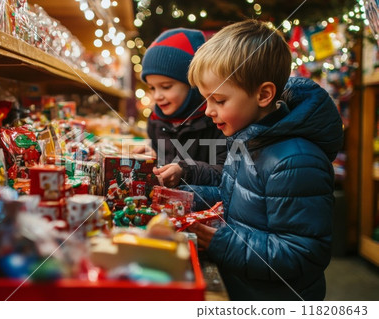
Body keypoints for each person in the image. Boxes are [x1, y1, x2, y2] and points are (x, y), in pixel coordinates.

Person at [185, 19, 344, 300]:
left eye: (219, 100)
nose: (208, 111)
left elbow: (301, 255)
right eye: (206, 99)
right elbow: (235, 198)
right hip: (242, 285)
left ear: (264, 94)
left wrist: (220, 241)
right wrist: (187, 196)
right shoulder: (248, 139)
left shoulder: (296, 161)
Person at [133, 28, 227, 188]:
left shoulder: (216, 120)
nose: (157, 96)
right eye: (152, 88)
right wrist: (152, 158)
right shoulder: (156, 121)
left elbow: (225, 174)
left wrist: (186, 172)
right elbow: (163, 161)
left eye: (166, 87)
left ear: (193, 84)